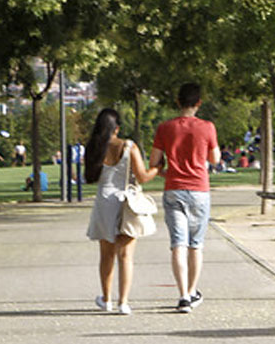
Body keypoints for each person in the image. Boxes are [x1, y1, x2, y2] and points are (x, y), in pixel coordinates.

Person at [149, 82, 221, 313]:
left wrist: (167, 172)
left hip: (174, 189)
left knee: (178, 244)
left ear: (178, 101)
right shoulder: (207, 127)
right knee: (195, 245)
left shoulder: (165, 128)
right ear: (199, 102)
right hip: (199, 189)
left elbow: (154, 161)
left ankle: (182, 296)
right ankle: (192, 291)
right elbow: (215, 159)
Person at [85, 108, 158, 315]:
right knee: (126, 255)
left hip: (103, 202)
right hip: (125, 202)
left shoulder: (93, 147)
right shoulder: (128, 146)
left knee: (106, 255)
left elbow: (90, 176)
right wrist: (156, 169)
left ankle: (106, 298)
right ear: (116, 128)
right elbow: (142, 176)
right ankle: (123, 302)